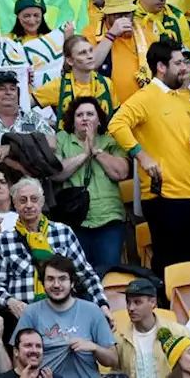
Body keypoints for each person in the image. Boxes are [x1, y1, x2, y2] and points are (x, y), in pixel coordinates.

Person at [108, 39, 190, 277]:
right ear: (161, 67)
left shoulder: (187, 96)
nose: (185, 68)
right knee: (173, 269)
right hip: (166, 197)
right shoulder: (147, 96)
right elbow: (117, 124)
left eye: (186, 62)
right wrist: (141, 155)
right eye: (178, 63)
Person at [0, 178, 111, 320]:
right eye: (23, 200)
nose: (29, 205)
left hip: (65, 316)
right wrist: (11, 302)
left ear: (42, 201)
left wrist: (103, 305)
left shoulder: (63, 232)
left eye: (34, 199)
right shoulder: (4, 240)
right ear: (15, 204)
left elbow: (86, 275)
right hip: (25, 319)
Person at [53, 97, 128, 271]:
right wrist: (84, 154)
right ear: (73, 121)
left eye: (90, 114)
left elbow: (121, 172)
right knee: (78, 276)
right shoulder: (61, 139)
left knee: (108, 274)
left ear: (99, 120)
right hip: (74, 220)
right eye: (79, 115)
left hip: (109, 220)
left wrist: (96, 151)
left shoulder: (111, 141)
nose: (85, 118)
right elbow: (56, 173)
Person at [13, 255, 117, 377]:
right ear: (43, 283)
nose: (56, 285)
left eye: (62, 279)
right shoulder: (31, 312)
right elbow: (17, 358)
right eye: (50, 279)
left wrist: (94, 347)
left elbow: (113, 360)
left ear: (72, 282)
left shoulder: (92, 310)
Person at [112, 278, 190, 378]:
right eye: (128, 302)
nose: (131, 308)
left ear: (153, 302)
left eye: (137, 302)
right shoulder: (120, 338)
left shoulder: (178, 332)